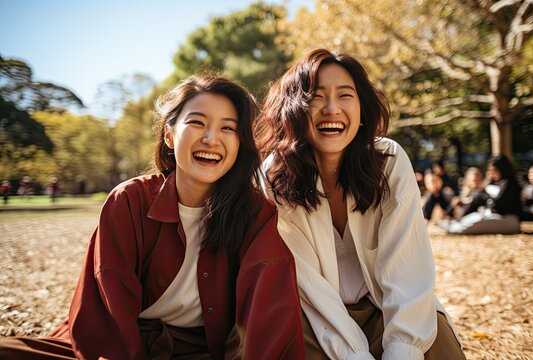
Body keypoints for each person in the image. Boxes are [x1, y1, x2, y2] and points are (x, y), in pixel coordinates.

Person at [0, 74, 305, 359]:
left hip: (203, 350)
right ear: (170, 135)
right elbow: (108, 309)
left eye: (228, 128)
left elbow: (268, 314)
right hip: (127, 345)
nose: (212, 139)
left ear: (240, 145)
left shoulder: (256, 213)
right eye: (197, 123)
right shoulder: (129, 201)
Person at [256, 48, 464, 359]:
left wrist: (403, 350)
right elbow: (310, 289)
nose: (331, 108)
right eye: (316, 96)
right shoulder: (275, 179)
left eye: (345, 95)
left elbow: (408, 273)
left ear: (361, 107)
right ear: (294, 108)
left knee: (431, 338)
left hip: (386, 308)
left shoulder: (389, 162)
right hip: (314, 319)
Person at [445, 155, 521, 235]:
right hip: (495, 216)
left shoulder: (509, 183)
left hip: (508, 220)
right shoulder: (497, 183)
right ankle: (453, 224)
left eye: (493, 170)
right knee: (473, 217)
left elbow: (498, 205)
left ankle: (452, 228)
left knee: (474, 224)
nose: (491, 173)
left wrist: (486, 198)